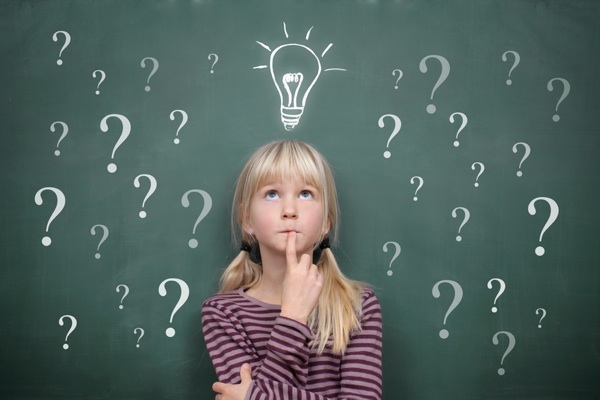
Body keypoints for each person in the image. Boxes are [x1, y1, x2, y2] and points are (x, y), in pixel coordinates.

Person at [201, 140, 383, 400]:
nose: (289, 211)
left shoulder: (357, 305)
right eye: (272, 194)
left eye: (306, 194)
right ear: (247, 220)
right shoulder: (222, 313)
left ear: (325, 223)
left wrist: (253, 397)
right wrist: (293, 317)